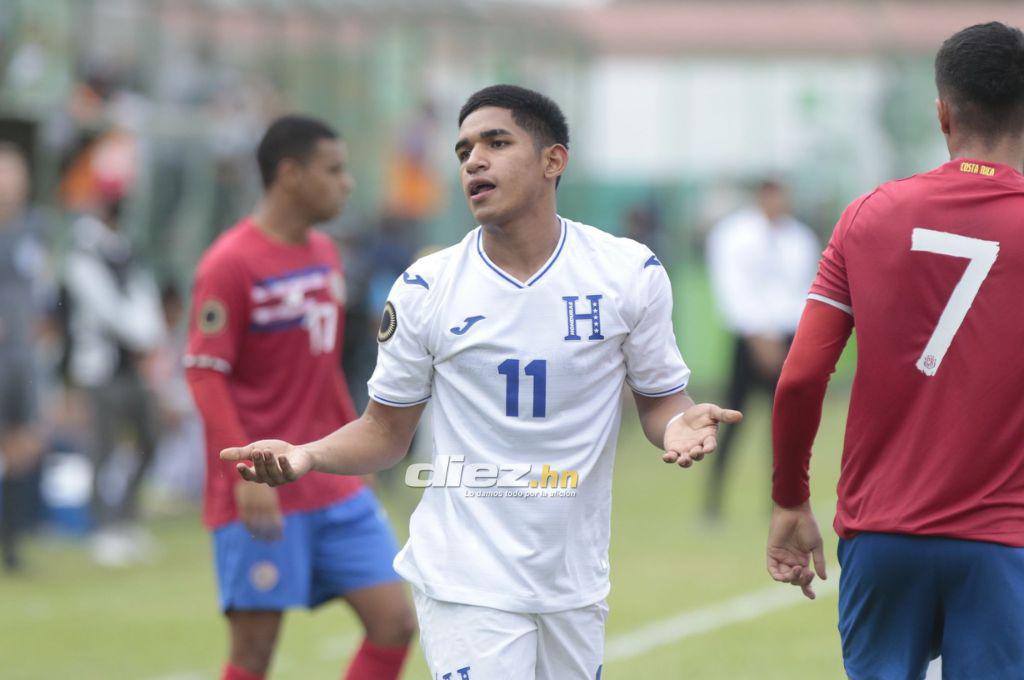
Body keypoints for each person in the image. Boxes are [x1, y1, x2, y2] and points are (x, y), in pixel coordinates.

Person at [221, 85, 742, 679]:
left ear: (553, 161)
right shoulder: (425, 288)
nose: (474, 160)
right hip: (466, 579)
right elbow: (386, 432)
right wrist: (307, 455)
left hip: (573, 579)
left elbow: (660, 400)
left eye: (497, 142)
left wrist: (679, 424)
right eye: (464, 149)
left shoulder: (628, 273)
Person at [767, 21, 1024, 679]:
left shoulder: (867, 215)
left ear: (941, 111)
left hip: (882, 534)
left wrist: (791, 498)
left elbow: (799, 379)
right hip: (1005, 539)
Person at [184, 115, 415, 680]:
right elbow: (205, 375)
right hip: (261, 482)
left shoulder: (325, 254)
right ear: (289, 175)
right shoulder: (229, 262)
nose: (348, 183)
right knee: (254, 655)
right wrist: (245, 476)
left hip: (331, 483)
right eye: (333, 170)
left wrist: (355, 453)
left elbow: (321, 370)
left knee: (396, 624)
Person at [705, 179, 819, 520]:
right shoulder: (734, 235)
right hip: (747, 338)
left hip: (787, 339)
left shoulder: (799, 239)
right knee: (732, 421)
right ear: (761, 197)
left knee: (783, 428)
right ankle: (713, 501)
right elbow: (731, 287)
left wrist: (790, 342)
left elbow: (804, 289)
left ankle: (779, 500)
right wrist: (757, 336)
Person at [0, 143, 46, 572]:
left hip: (22, 356)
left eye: (16, 174)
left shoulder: (33, 226)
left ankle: (12, 546)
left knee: (22, 445)